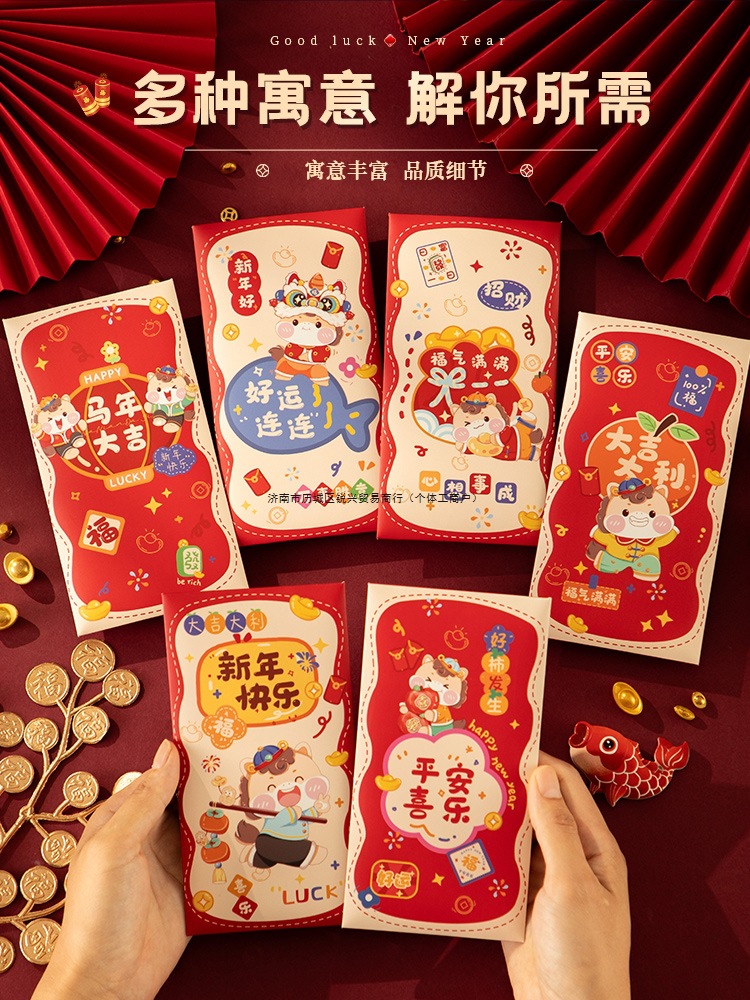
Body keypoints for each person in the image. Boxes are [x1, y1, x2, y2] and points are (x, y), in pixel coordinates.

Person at [32, 743, 630, 1000]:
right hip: (261, 854)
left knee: (295, 849)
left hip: (298, 848)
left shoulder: (304, 801)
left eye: (291, 781)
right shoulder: (260, 802)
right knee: (271, 848)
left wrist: (94, 983)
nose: (286, 787)